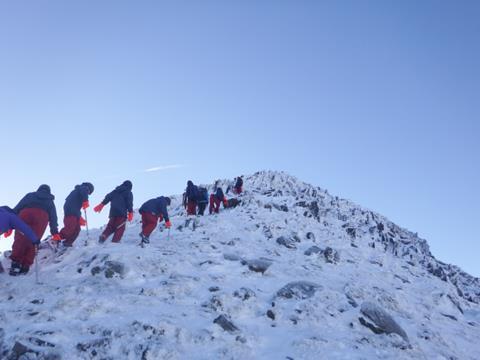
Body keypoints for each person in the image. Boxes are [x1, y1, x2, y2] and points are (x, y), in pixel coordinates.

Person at [10, 185, 59, 275]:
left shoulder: (30, 195)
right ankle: (25, 266)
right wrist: (54, 231)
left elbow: (19, 206)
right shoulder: (50, 201)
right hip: (41, 217)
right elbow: (53, 217)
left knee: (20, 238)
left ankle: (16, 264)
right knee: (34, 241)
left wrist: (10, 221)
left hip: (26, 213)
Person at [57, 182, 94, 247]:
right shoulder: (83, 188)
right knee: (70, 228)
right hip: (71, 211)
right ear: (88, 188)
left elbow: (76, 207)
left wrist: (79, 217)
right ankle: (55, 239)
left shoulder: (78, 191)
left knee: (77, 229)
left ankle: (68, 243)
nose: (87, 194)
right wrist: (85, 201)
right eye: (88, 192)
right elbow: (84, 191)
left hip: (73, 211)